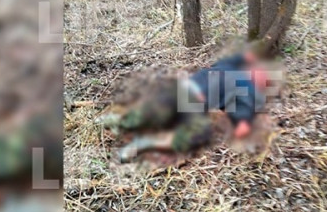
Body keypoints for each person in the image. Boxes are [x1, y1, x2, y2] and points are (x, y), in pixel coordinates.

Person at [99, 48, 268, 162]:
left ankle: (124, 125)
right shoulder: (244, 85)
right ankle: (133, 136)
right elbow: (242, 126)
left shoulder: (234, 73)